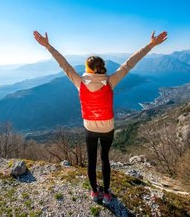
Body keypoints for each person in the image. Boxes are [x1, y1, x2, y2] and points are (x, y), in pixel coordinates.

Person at [33, 30, 167, 204]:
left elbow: (63, 64)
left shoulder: (79, 82)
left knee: (91, 160)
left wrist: (48, 46)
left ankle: (95, 192)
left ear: (88, 69)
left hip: (90, 127)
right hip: (107, 128)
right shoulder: (110, 81)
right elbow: (129, 64)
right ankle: (108, 192)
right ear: (101, 67)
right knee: (105, 159)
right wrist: (151, 45)